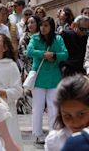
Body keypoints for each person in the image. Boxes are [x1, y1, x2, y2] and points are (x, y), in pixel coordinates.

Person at [27, 16, 69, 144]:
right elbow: (29, 51)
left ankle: (53, 133)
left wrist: (54, 55)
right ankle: (38, 134)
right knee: (37, 107)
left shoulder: (58, 38)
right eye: (41, 25)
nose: (43, 28)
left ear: (51, 27)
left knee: (54, 107)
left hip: (54, 78)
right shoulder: (35, 38)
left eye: (46, 26)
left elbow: (65, 54)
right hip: (38, 77)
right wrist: (43, 54)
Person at [0, 33, 23, 149]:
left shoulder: (11, 65)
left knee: (8, 136)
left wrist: (4, 93)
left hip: (6, 107)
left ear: (5, 47)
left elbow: (18, 90)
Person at [45, 75, 89, 151]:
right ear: (60, 113)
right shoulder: (54, 141)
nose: (75, 122)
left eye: (81, 114)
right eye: (67, 115)